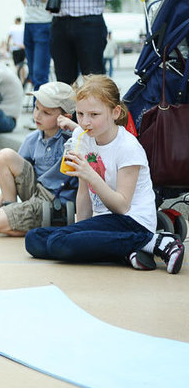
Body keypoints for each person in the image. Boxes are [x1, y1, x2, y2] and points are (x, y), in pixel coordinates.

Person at [25, 75, 184, 273]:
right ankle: (127, 252)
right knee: (35, 239)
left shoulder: (128, 147)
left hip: (132, 222)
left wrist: (90, 174)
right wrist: (80, 232)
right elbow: (83, 193)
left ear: (115, 112)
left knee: (59, 243)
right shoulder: (81, 137)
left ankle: (157, 242)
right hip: (104, 222)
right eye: (80, 114)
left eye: (94, 115)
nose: (85, 122)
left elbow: (121, 206)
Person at [0, 82, 78, 236]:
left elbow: (92, 142)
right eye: (36, 108)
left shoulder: (72, 140)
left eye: (46, 113)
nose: (37, 115)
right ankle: (10, 210)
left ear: (65, 117)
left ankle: (45, 223)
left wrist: (74, 128)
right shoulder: (33, 138)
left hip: (54, 200)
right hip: (35, 191)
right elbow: (10, 176)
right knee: (5, 156)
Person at [6, 16, 26, 84]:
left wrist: (7, 47)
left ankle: (18, 81)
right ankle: (23, 80)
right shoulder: (23, 27)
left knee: (17, 65)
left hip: (15, 48)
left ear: (16, 21)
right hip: (22, 48)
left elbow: (9, 38)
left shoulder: (12, 28)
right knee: (22, 65)